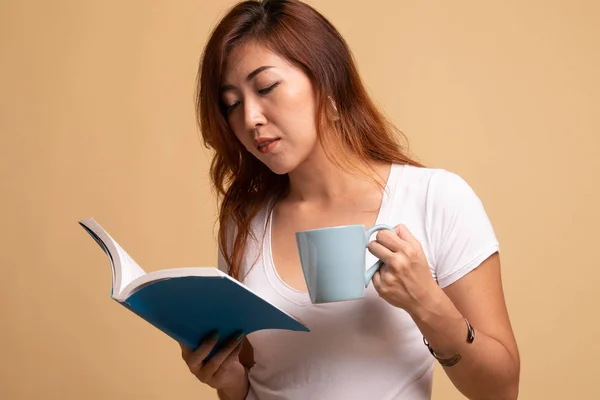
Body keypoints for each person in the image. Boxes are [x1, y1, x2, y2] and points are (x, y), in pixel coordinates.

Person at [180, 0, 520, 399]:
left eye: (266, 87)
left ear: (327, 80)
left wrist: (429, 305)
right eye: (231, 104)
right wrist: (230, 381)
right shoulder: (244, 224)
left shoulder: (435, 198)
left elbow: (501, 389)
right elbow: (255, 377)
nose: (250, 117)